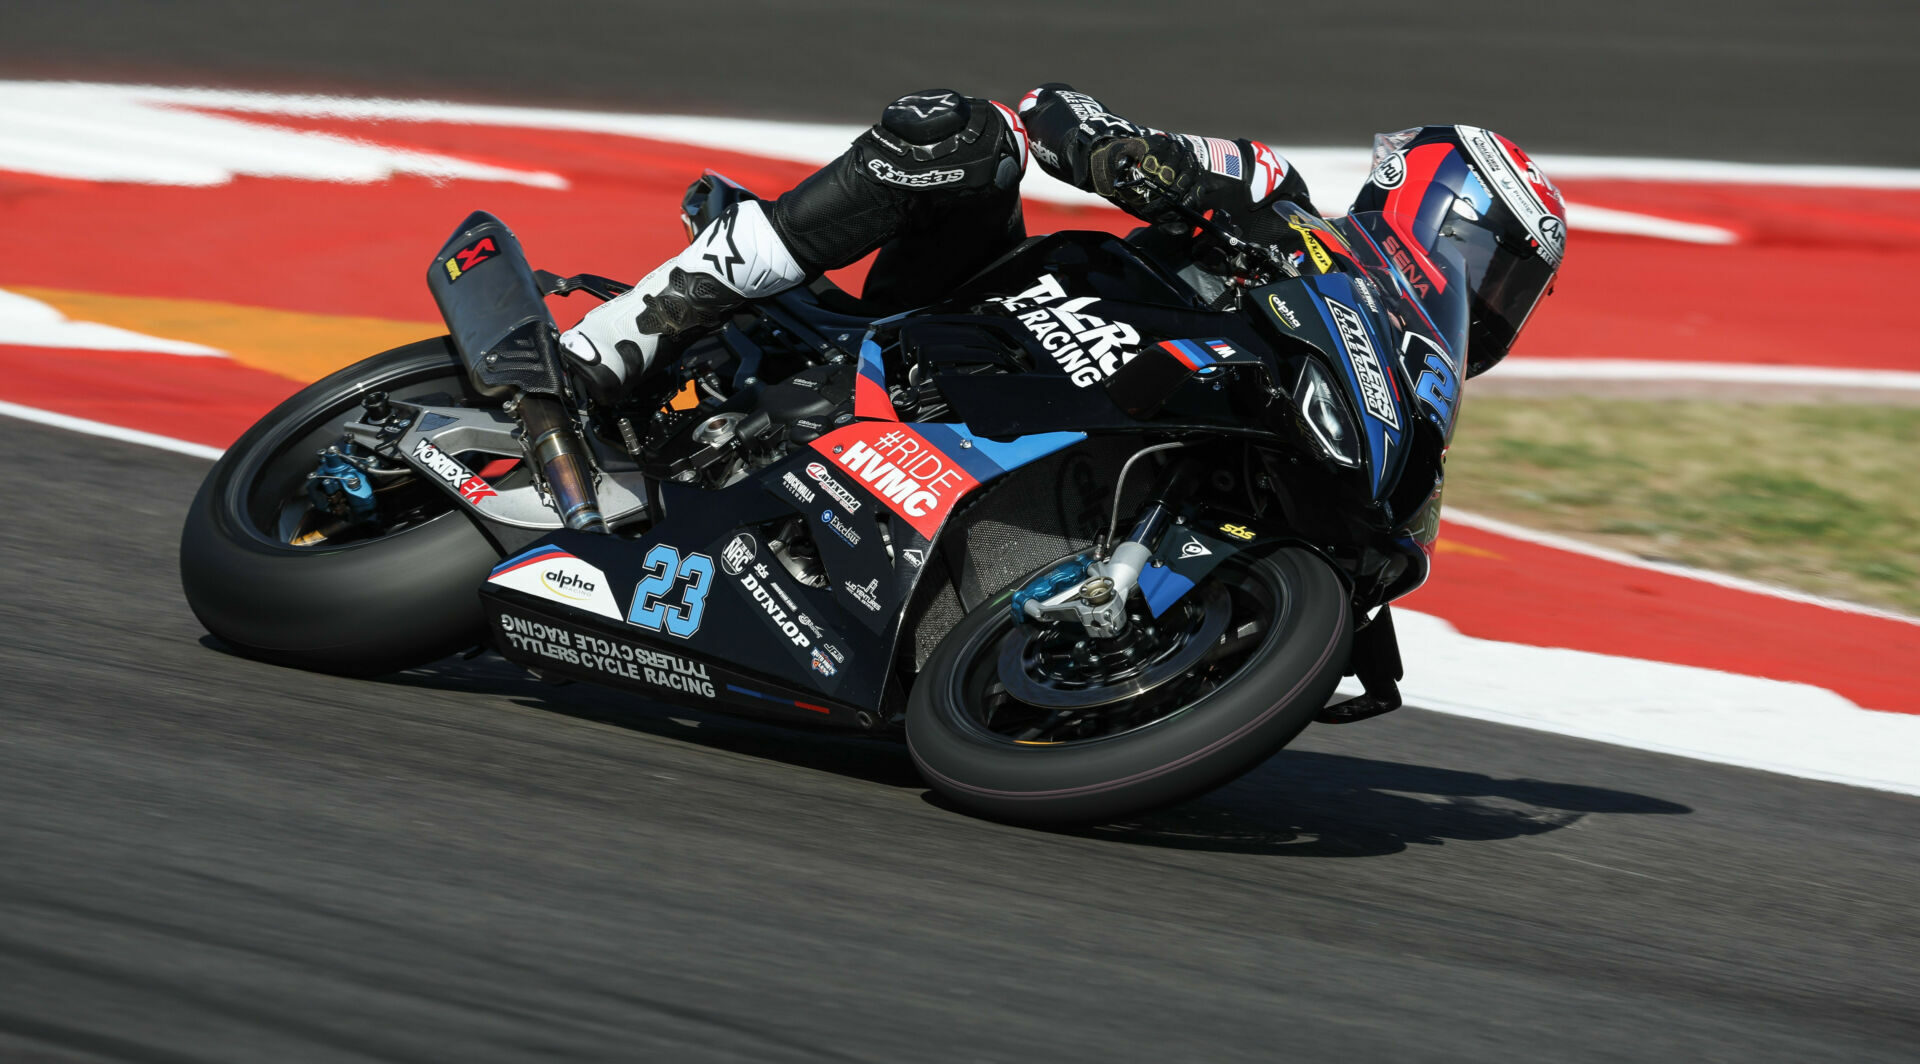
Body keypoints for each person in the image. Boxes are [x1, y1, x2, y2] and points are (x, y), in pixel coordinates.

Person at [558, 83, 1565, 398]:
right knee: (962, 134)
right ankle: (635, 329)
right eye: (1500, 269)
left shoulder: (1384, 375)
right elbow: (1054, 111)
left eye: (1518, 292)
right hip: (971, 319)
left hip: (1080, 417)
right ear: (1436, 202)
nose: (1495, 303)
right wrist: (1131, 161)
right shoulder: (1273, 190)